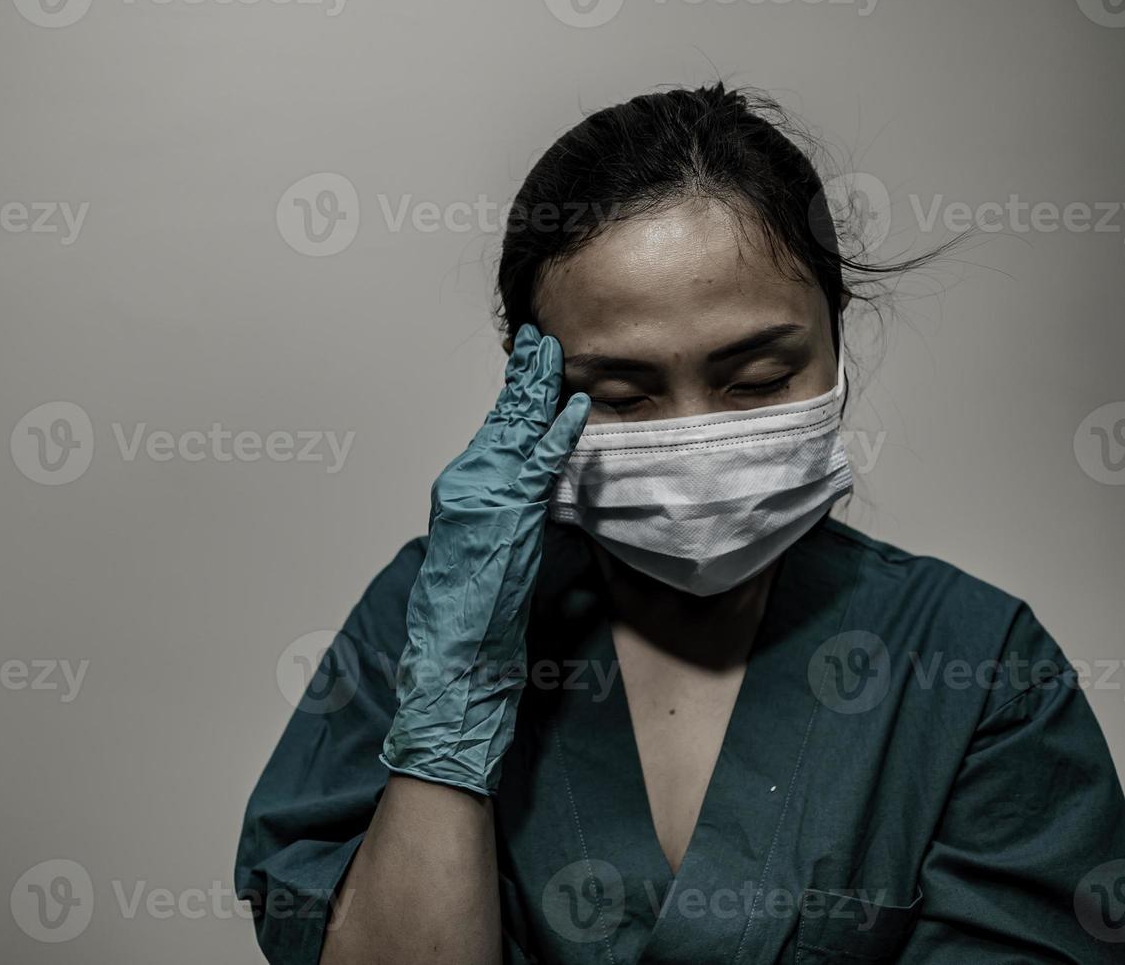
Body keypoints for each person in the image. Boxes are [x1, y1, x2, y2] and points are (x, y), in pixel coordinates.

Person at [234, 83, 1125, 964]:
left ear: (835, 338)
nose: (693, 443)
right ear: (530, 388)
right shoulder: (425, 618)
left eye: (759, 381)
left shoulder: (972, 662)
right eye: (619, 396)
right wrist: (451, 703)